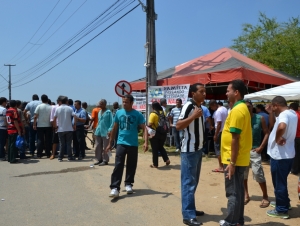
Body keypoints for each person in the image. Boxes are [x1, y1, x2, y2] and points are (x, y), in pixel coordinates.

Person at [219, 80, 252, 226]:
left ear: (236, 92)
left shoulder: (238, 110)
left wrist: (231, 163)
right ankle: (238, 220)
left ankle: (231, 221)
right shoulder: (240, 108)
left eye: (228, 90)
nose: (226, 93)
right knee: (237, 191)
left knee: (232, 192)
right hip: (238, 158)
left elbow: (235, 138)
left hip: (234, 159)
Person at [105, 95, 148, 198]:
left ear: (131, 103)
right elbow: (114, 129)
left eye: (126, 102)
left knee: (131, 164)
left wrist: (146, 142)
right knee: (118, 164)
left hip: (133, 143)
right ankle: (115, 187)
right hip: (121, 143)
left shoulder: (137, 114)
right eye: (123, 102)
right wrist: (110, 143)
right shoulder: (118, 113)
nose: (124, 104)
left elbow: (144, 128)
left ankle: (128, 184)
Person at [176, 83, 206, 226]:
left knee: (193, 182)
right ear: (193, 93)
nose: (204, 94)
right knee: (188, 182)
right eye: (201, 91)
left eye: (204, 91)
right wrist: (193, 116)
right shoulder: (189, 106)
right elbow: (178, 125)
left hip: (197, 149)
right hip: (189, 151)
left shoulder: (199, 106)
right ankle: (188, 215)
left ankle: (191, 209)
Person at [265, 96, 297, 219]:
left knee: (279, 183)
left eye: (273, 107)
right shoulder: (291, 113)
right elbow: (275, 124)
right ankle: (284, 203)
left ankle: (281, 210)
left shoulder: (284, 115)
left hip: (280, 156)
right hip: (287, 154)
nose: (272, 109)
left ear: (276, 105)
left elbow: (281, 126)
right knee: (281, 181)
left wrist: (278, 138)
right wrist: (271, 113)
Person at [243, 100, 270, 208]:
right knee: (243, 175)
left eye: (249, 106)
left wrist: (261, 147)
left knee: (258, 174)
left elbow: (267, 132)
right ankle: (246, 195)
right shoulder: (241, 119)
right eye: (245, 107)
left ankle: (265, 196)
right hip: (243, 151)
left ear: (252, 107)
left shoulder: (260, 118)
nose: (247, 109)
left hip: (255, 150)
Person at [53, 96, 76, 162]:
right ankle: (69, 157)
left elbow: (54, 118)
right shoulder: (69, 108)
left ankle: (60, 157)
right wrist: (74, 125)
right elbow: (74, 116)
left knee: (62, 144)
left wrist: (55, 126)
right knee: (69, 144)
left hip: (60, 129)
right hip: (69, 129)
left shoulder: (58, 109)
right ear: (67, 101)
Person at [148, 101, 170, 168]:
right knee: (160, 146)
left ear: (153, 107)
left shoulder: (153, 114)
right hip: (163, 132)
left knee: (155, 149)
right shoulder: (163, 112)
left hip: (155, 133)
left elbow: (150, 124)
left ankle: (155, 164)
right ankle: (166, 159)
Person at [209, 100, 228, 172]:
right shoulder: (225, 109)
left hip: (219, 131)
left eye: (211, 107)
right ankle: (224, 165)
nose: (211, 108)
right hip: (225, 131)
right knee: (223, 149)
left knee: (217, 149)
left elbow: (219, 124)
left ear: (214, 104)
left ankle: (221, 167)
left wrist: (215, 134)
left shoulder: (218, 111)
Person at [94, 99, 113, 166]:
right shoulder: (99, 112)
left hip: (106, 132)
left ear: (105, 104)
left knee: (106, 147)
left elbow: (112, 122)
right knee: (98, 146)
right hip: (98, 131)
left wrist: (110, 130)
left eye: (101, 103)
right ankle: (99, 159)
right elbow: (99, 122)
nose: (100, 105)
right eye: (100, 103)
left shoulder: (108, 112)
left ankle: (105, 160)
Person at [290, 102, 300, 175]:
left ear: (292, 108)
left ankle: (294, 169)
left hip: (295, 136)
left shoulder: (294, 115)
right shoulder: (299, 114)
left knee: (295, 154)